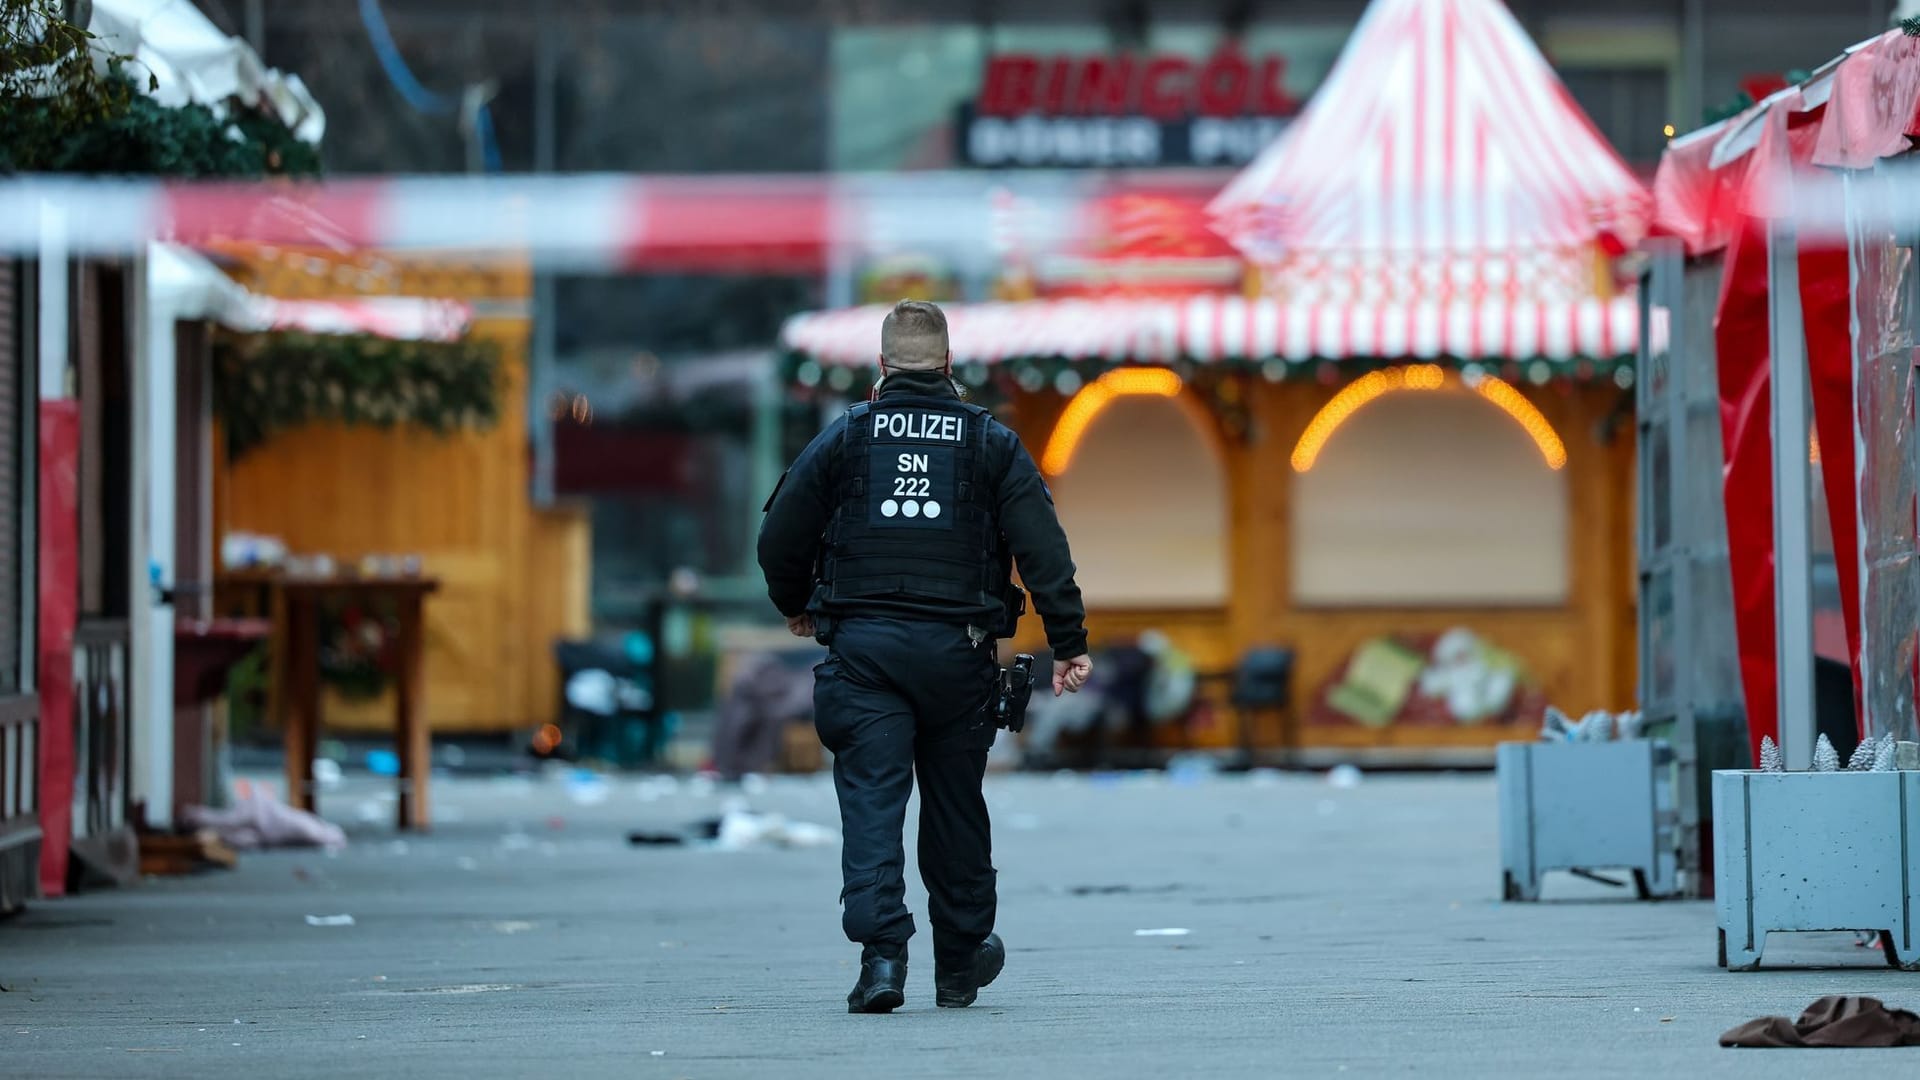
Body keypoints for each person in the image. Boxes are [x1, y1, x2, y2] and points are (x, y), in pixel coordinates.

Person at [758, 299, 1093, 1014]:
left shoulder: (845, 437)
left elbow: (780, 535)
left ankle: (881, 960)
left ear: (880, 368)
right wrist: (1068, 642)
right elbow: (1043, 548)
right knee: (954, 805)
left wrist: (797, 602)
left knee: (873, 802)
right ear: (947, 366)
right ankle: (961, 961)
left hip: (865, 654)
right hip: (958, 654)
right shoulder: (989, 442)